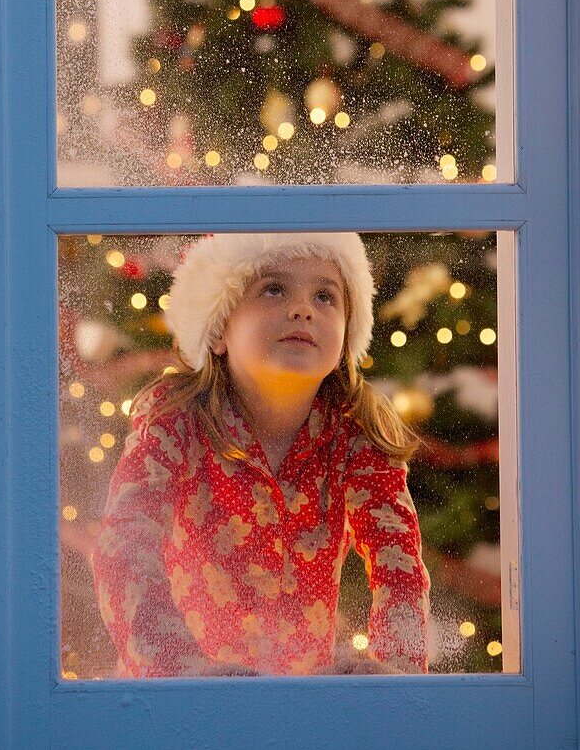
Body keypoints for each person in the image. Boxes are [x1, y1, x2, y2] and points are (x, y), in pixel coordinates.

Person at [93, 232, 430, 677]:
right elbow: (125, 545)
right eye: (274, 289)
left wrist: (393, 677)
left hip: (298, 711)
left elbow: (399, 564)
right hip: (177, 706)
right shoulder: (174, 420)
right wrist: (176, 671)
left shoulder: (355, 432)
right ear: (218, 331)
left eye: (326, 296)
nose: (303, 309)